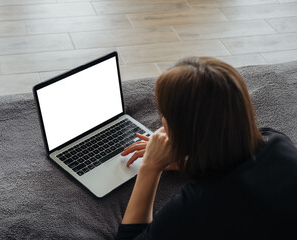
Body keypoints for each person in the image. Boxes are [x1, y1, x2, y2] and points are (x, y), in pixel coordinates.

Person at [116, 57, 297, 239]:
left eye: (164, 115)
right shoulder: (276, 141)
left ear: (178, 131)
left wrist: (150, 167)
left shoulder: (192, 207)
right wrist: (188, 162)